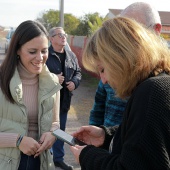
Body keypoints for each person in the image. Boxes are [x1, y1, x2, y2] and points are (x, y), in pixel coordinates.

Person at [70, 16, 170, 170]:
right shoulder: (159, 84)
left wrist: (87, 156)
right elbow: (146, 137)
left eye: (102, 69)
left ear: (120, 58)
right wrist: (107, 135)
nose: (103, 80)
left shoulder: (151, 93)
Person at [0, 20, 62, 170]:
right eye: (33, 52)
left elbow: (55, 122)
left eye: (44, 50)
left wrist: (53, 134)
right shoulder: (1, 80)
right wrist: (17, 141)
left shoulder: (53, 82)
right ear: (17, 50)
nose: (40, 58)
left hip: (41, 161)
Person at [89, 1, 162, 128]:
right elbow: (98, 110)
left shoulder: (158, 87)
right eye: (122, 33)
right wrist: (100, 137)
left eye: (132, 33)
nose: (124, 42)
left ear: (156, 30)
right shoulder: (111, 70)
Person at [46, 27, 81, 170]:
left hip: (64, 101)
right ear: (51, 39)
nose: (63, 37)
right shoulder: (44, 54)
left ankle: (58, 159)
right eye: (59, 35)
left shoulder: (71, 55)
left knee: (60, 130)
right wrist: (53, 79)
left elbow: (78, 72)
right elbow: (35, 74)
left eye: (64, 34)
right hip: (47, 101)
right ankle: (46, 159)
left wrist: (74, 82)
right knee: (46, 130)